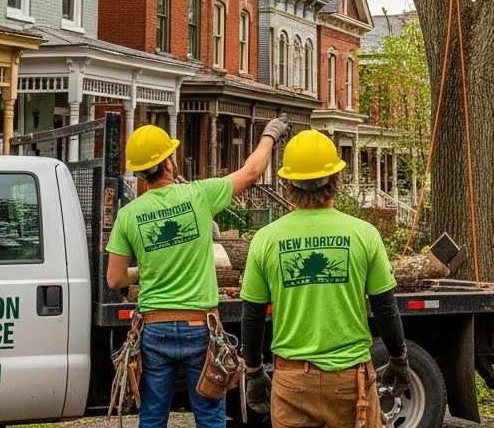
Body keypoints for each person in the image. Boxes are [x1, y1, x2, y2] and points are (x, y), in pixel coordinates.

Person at [105, 118, 289, 428]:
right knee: (208, 416)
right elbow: (252, 172)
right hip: (199, 326)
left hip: (155, 328)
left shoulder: (128, 215)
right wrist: (270, 135)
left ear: (139, 172)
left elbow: (114, 279)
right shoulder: (199, 195)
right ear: (168, 162)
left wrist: (148, 270)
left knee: (152, 417)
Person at [241, 129, 411, 427]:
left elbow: (252, 315)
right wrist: (398, 358)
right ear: (336, 179)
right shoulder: (363, 234)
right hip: (350, 382)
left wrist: (253, 371)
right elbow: (384, 307)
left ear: (286, 182)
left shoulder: (266, 239)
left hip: (292, 382)